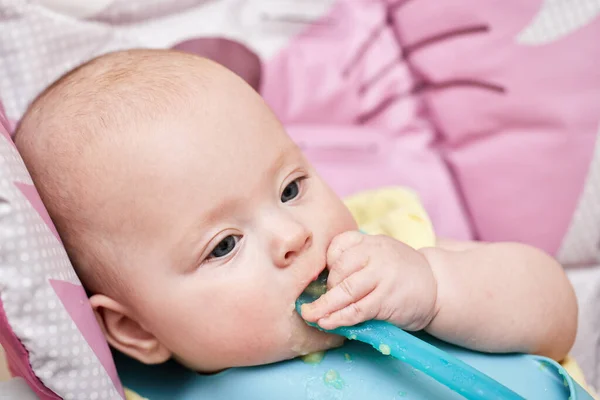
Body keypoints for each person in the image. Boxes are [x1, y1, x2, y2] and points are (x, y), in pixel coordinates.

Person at [14, 49, 577, 374]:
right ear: (136, 328)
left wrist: (435, 289)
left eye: (290, 189)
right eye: (224, 245)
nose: (292, 235)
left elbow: (556, 319)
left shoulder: (395, 250)